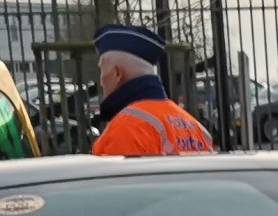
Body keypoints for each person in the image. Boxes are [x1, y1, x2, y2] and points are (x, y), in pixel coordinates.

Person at [89, 22, 215, 159]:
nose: (101, 81)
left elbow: (116, 180)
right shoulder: (196, 128)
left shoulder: (126, 128)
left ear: (117, 73)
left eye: (102, 70)